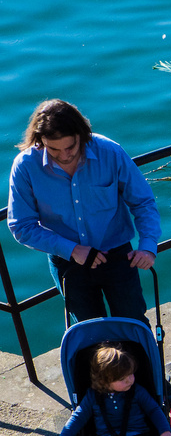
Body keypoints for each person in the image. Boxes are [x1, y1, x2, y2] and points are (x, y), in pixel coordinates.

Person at [7, 99, 160, 323]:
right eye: (53, 149)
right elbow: (21, 226)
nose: (64, 155)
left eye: (70, 147)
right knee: (88, 334)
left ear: (82, 134)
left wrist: (147, 246)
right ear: (40, 141)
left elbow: (143, 202)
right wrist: (72, 250)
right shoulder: (25, 166)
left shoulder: (110, 152)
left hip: (117, 256)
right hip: (68, 262)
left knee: (133, 324)